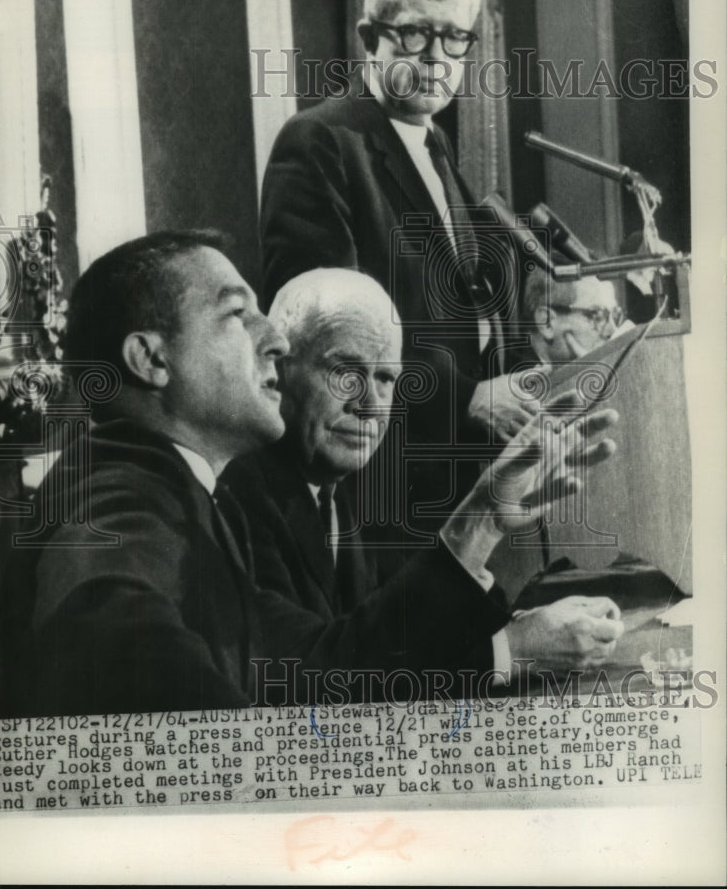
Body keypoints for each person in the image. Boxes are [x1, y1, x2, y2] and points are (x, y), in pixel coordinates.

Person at [0, 233, 623, 716]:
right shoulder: (114, 497)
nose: (272, 340)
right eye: (238, 314)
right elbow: (109, 642)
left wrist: (481, 516)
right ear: (152, 358)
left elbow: (325, 667)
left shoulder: (178, 493)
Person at [225, 267, 625, 696]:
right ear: (277, 370)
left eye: (385, 379)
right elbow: (323, 682)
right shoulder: (236, 497)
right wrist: (513, 651)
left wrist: (527, 628)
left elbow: (387, 639)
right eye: (345, 372)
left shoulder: (338, 486)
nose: (371, 406)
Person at [260, 0, 539, 502]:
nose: (437, 58)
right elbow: (325, 344)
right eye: (414, 34)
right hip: (383, 489)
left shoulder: (436, 148)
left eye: (455, 37)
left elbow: (473, 319)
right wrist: (465, 397)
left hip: (467, 481)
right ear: (370, 36)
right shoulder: (321, 142)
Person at [521, 269, 632, 365]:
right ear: (546, 323)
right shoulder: (513, 382)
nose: (612, 331)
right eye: (598, 316)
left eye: (616, 316)